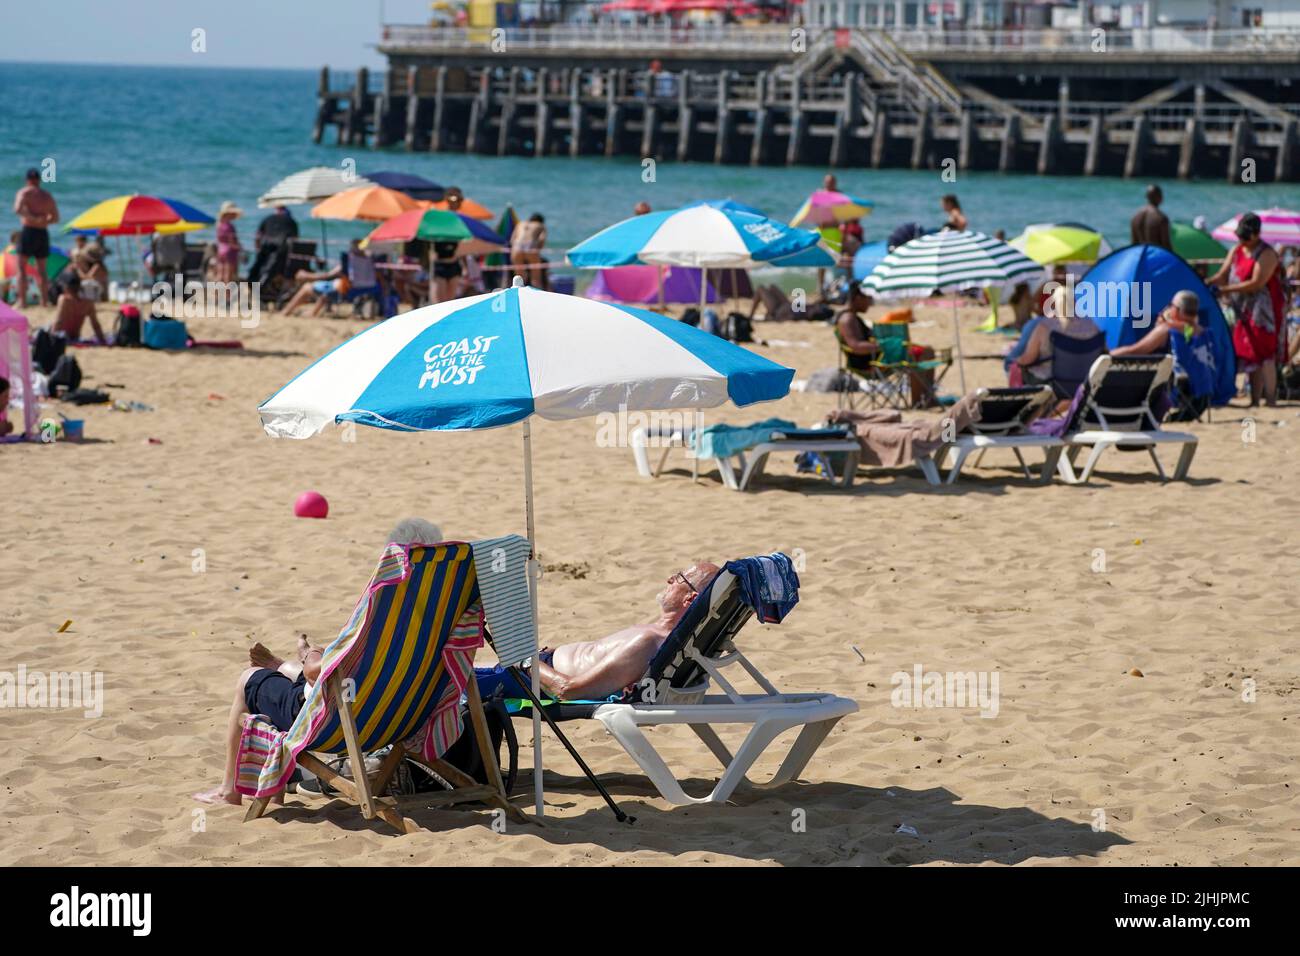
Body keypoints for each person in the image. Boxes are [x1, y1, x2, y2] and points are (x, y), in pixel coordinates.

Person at [194, 518, 445, 807]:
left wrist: (311, 656)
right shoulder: (443, 617)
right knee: (309, 672)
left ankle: (229, 791)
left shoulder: (383, 608)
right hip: (403, 718)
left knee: (249, 678)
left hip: (340, 721)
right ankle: (282, 667)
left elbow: (320, 672)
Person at [480, 562, 721, 703]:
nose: (670, 579)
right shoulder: (660, 635)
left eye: (679, 578)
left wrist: (526, 661)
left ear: (690, 599)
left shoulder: (648, 641)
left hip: (533, 679)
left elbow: (568, 690)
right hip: (541, 666)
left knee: (454, 682)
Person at [1208, 212, 1285, 406]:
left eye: (1245, 236)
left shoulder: (1267, 254)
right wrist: (1207, 282)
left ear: (1256, 235)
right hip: (1241, 309)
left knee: (1265, 353)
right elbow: (1222, 274)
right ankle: (1255, 399)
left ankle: (1270, 398)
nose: (1242, 240)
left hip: (1263, 311)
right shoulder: (1237, 250)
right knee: (1250, 354)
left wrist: (1225, 289)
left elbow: (1256, 283)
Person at [1014, 285, 1101, 386]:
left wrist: (1017, 362)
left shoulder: (1045, 326)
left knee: (1018, 368)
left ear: (1054, 304)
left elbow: (1029, 358)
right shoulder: (1091, 325)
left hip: (1053, 380)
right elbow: (1102, 352)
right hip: (1084, 378)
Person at [280, 238, 374, 317]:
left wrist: (307, 276)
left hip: (346, 290)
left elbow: (328, 275)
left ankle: (286, 312)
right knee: (326, 290)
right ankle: (312, 312)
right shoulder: (371, 261)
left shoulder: (350, 260)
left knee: (307, 287)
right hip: (366, 289)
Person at [12, 167, 59, 307]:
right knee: (42, 269)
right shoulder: (47, 195)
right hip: (42, 232)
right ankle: (44, 301)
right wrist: (43, 220)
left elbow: (17, 209)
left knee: (21, 267)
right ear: (39, 180)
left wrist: (32, 218)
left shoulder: (25, 192)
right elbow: (55, 218)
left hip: (29, 231)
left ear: (27, 180)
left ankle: (23, 301)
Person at [1111, 290, 1201, 358]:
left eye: (1171, 305)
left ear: (1177, 310)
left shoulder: (1167, 329)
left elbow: (1134, 351)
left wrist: (1107, 355)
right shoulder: (1202, 331)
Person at [248, 205, 298, 284]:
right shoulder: (291, 221)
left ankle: (252, 285)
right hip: (281, 248)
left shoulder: (268, 218)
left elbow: (258, 235)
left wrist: (257, 248)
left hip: (266, 245)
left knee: (258, 266)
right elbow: (295, 239)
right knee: (271, 269)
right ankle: (262, 287)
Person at [49, 275, 106, 342]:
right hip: (75, 336)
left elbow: (58, 322)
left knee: (44, 329)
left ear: (66, 287)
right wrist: (102, 340)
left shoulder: (64, 300)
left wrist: (51, 338)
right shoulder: (88, 303)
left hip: (62, 336)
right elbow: (95, 325)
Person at [510, 213, 547, 287]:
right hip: (531, 245)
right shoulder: (540, 225)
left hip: (517, 246)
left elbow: (512, 239)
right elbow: (542, 239)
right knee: (535, 276)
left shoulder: (520, 224)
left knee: (519, 277)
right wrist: (538, 251)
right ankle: (536, 293)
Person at [1130, 184, 1172, 250]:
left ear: (1147, 197)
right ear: (1160, 197)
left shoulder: (1135, 217)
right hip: (1156, 257)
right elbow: (1166, 245)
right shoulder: (1161, 218)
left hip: (1141, 257)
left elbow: (1133, 244)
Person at [214, 201, 243, 283]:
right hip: (229, 251)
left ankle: (216, 293)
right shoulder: (230, 226)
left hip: (220, 250)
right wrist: (240, 247)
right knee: (228, 276)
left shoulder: (219, 224)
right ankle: (227, 295)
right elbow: (232, 242)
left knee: (220, 274)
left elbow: (219, 239)